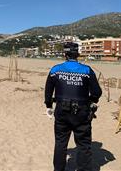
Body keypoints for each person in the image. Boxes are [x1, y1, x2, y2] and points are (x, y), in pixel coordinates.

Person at [44, 42, 102, 171]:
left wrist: (49, 106)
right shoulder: (87, 70)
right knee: (83, 144)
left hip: (62, 111)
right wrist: (92, 101)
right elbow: (97, 92)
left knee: (60, 143)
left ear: (65, 54)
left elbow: (48, 92)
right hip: (82, 111)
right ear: (78, 54)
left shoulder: (55, 70)